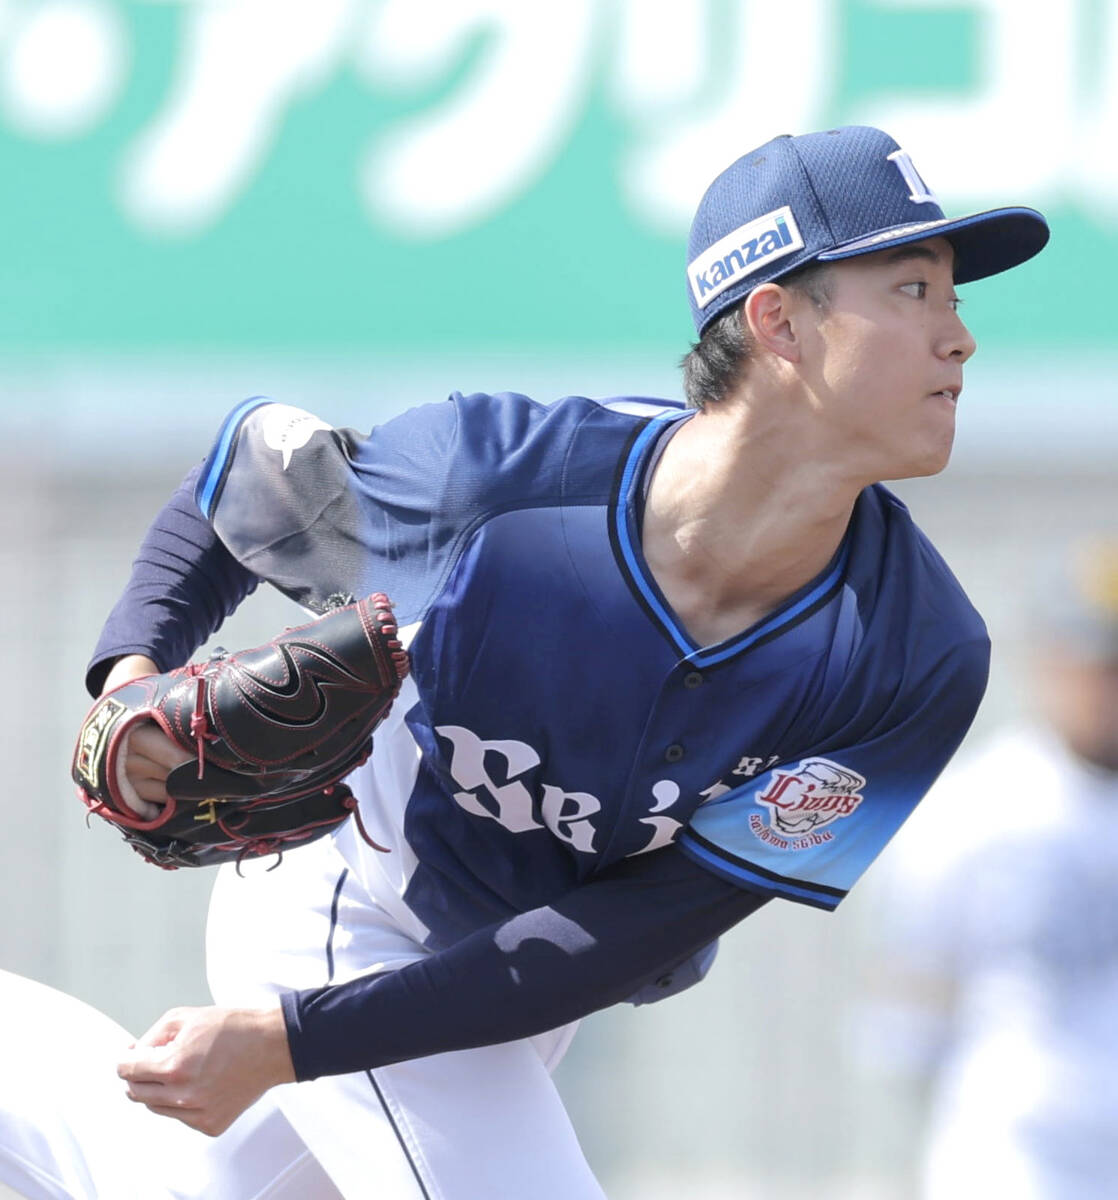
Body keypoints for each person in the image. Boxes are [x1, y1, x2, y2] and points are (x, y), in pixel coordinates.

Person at [2, 125, 1048, 1199]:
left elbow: (641, 928)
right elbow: (238, 490)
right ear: (775, 318)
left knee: (159, 1185)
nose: (960, 336)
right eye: (913, 290)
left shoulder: (916, 655)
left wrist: (289, 1043)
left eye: (952, 298)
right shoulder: (499, 482)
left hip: (502, 986)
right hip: (351, 898)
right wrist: (127, 680)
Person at [865, 538, 1118, 1200]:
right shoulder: (977, 807)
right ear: (1052, 660)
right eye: (1101, 664)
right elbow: (908, 1011)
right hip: (1015, 1161)